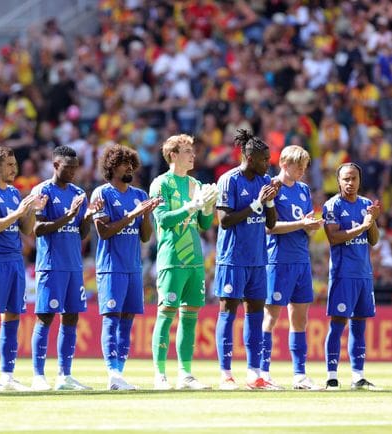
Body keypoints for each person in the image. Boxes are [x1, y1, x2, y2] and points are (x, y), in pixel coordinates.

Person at [0, 146, 46, 393]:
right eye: (10, 165)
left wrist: (33, 210)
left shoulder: (14, 193)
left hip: (15, 261)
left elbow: (26, 229)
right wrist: (17, 213)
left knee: (12, 317)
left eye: (15, 164)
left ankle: (7, 375)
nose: (15, 169)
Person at [30, 145, 103, 391]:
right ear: (55, 166)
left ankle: (65, 375)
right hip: (51, 265)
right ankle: (38, 375)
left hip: (73, 265)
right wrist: (69, 215)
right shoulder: (43, 191)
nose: (72, 172)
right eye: (67, 167)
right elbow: (38, 230)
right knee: (45, 317)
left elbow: (81, 233)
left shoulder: (78, 193)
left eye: (75, 167)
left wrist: (87, 217)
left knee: (71, 317)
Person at [148, 134, 217, 390]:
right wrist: (192, 206)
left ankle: (185, 374)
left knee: (190, 318)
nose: (193, 155)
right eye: (187, 150)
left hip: (194, 261)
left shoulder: (194, 183)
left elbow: (204, 224)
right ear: (173, 155)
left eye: (193, 150)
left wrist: (208, 208)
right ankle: (160, 374)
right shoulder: (160, 184)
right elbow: (163, 220)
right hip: (171, 258)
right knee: (166, 314)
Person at [91, 144, 161, 390]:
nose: (130, 167)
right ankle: (112, 373)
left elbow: (144, 237)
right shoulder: (102, 194)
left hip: (133, 267)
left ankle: (120, 373)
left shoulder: (140, 195)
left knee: (128, 319)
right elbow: (104, 232)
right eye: (124, 163)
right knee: (112, 318)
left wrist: (145, 215)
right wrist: (133, 214)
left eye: (132, 163)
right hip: (111, 266)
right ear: (111, 167)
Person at [214, 129, 279, 390]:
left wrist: (270, 203)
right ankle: (226, 374)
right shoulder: (230, 180)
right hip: (232, 258)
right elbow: (224, 221)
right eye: (265, 159)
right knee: (228, 312)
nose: (268, 164)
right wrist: (255, 204)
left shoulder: (264, 182)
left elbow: (271, 224)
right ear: (250, 158)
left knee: (254, 315)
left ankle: (254, 374)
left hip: (257, 259)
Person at [260, 145, 324, 390]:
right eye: (298, 167)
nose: (302, 172)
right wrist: (301, 223)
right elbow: (269, 227)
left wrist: (311, 225)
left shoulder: (304, 189)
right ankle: (263, 372)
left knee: (300, 319)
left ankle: (299, 375)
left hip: (301, 259)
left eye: (304, 167)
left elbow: (305, 222)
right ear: (284, 164)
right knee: (271, 316)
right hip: (278, 259)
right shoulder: (271, 187)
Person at [322, 162, 382, 390]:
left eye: (354, 178)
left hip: (363, 274)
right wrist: (363, 226)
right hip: (342, 274)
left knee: (359, 326)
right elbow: (334, 237)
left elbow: (373, 240)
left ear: (360, 180)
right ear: (338, 181)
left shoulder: (366, 204)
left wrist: (372, 221)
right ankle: (331, 376)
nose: (350, 183)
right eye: (346, 179)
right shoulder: (332, 206)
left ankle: (358, 376)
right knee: (337, 325)